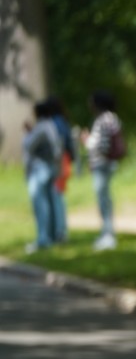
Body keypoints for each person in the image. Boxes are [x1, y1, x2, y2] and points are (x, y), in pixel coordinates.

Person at [81, 90, 122, 251]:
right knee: (105, 199)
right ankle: (107, 232)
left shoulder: (104, 119)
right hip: (107, 164)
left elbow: (101, 145)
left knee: (103, 200)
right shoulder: (112, 118)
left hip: (102, 165)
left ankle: (108, 235)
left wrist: (86, 140)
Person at [22, 101, 63, 254]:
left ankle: (43, 238)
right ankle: (53, 235)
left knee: (40, 205)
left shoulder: (41, 127)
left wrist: (28, 132)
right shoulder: (51, 126)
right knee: (50, 204)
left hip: (40, 170)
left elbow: (28, 146)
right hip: (50, 169)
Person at [46, 97, 76, 243]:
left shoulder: (55, 122)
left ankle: (60, 232)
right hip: (64, 161)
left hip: (60, 162)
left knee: (57, 196)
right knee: (58, 195)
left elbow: (59, 144)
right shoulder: (62, 121)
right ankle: (58, 231)